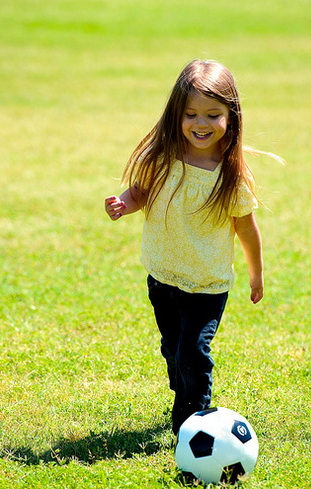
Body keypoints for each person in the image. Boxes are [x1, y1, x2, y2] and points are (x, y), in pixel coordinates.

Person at [105, 59, 274, 435]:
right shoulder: (163, 160)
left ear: (231, 117)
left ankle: (193, 421)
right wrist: (123, 203)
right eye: (191, 114)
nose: (201, 124)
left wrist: (256, 273)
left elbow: (246, 228)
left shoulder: (229, 178)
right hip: (162, 276)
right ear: (176, 115)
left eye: (213, 115)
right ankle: (183, 392)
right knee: (172, 349)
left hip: (206, 285)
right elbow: (140, 192)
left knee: (191, 352)